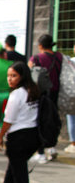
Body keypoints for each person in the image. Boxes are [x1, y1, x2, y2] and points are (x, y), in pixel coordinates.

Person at [0, 62, 41, 183]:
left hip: (19, 139)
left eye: (13, 76)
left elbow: (8, 120)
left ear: (22, 76)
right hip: (33, 137)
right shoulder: (33, 90)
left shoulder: (17, 95)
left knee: (20, 176)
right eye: (8, 76)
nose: (10, 79)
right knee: (13, 170)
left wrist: (0, 137)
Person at [29, 34, 63, 163]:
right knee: (53, 120)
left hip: (41, 94)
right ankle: (52, 148)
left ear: (40, 45)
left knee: (40, 122)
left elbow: (28, 72)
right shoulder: (59, 57)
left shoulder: (36, 58)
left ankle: (41, 152)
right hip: (55, 92)